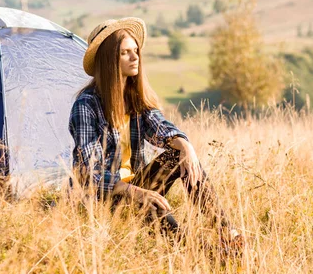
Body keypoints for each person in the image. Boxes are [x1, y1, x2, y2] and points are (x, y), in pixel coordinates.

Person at [68, 17, 243, 254]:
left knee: (179, 155)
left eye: (135, 51)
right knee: (149, 202)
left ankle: (227, 234)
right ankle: (204, 254)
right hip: (105, 199)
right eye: (125, 53)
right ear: (109, 60)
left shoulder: (134, 97)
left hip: (136, 186)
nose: (135, 57)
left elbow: (162, 128)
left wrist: (186, 147)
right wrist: (136, 192)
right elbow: (88, 173)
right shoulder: (86, 106)